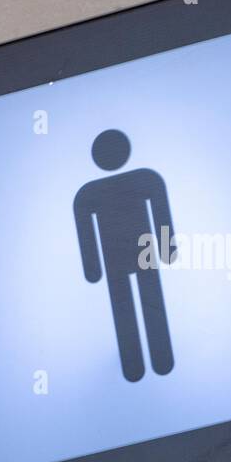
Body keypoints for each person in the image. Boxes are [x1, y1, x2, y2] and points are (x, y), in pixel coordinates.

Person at [73, 130, 175, 382]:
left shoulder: (93, 191)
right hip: (124, 259)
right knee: (130, 309)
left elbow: (160, 209)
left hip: (134, 257)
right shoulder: (141, 180)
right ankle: (137, 366)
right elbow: (85, 227)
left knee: (144, 306)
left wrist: (92, 268)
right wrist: (92, 267)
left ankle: (156, 362)